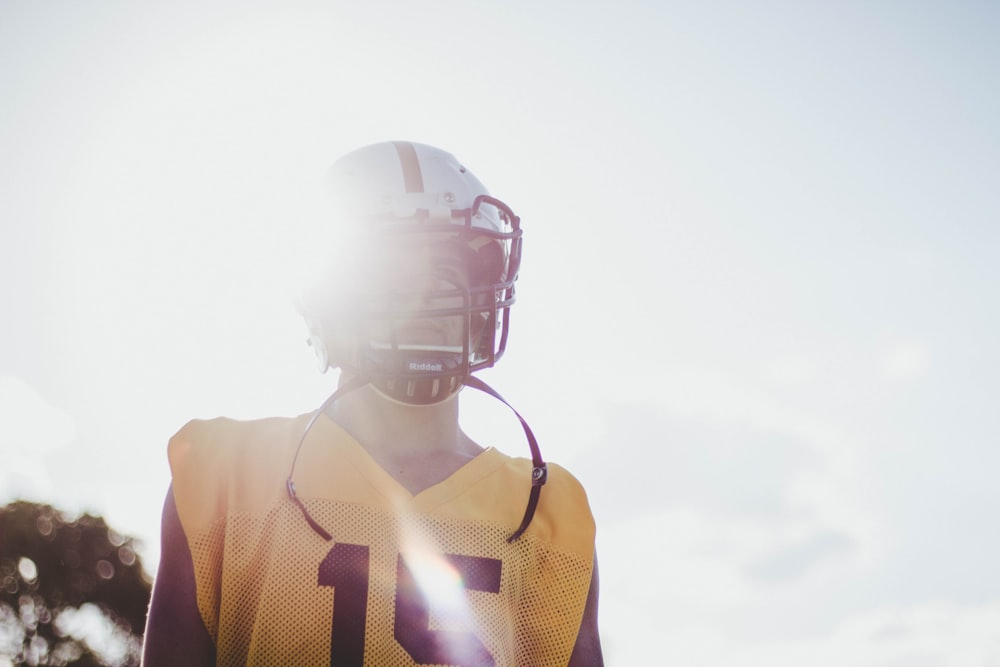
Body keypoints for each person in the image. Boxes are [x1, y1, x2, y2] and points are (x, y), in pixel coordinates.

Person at [142, 141, 603, 666]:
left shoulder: (549, 512)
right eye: (394, 277)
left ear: (484, 299)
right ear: (333, 301)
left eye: (447, 277)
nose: (425, 301)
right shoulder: (224, 475)